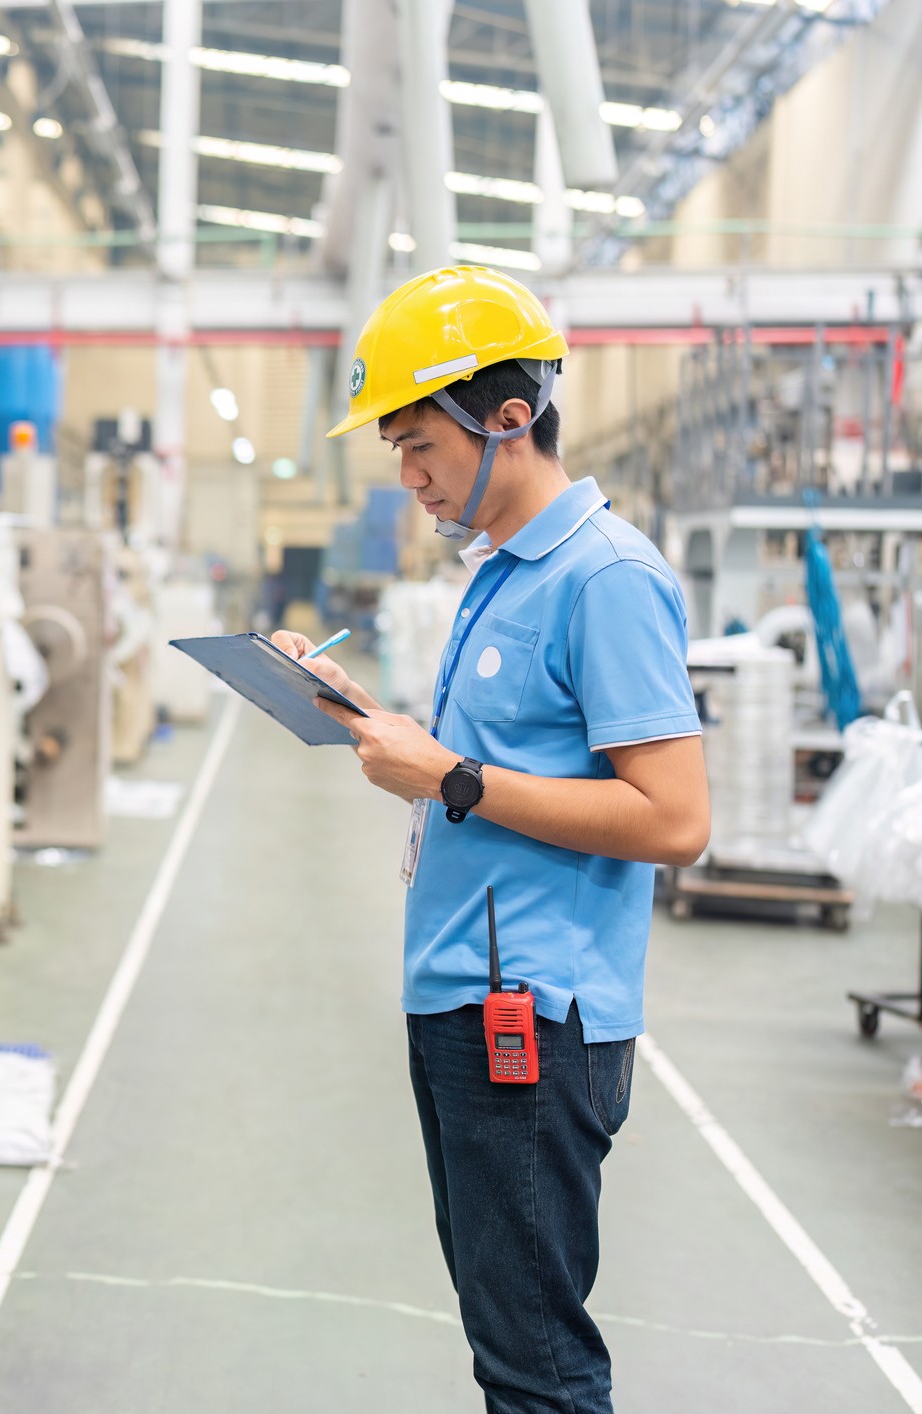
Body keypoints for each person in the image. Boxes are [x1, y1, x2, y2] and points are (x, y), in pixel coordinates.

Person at [275, 265, 710, 1413]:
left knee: (538, 1366)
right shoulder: (503, 575)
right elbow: (497, 776)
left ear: (508, 419)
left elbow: (676, 819)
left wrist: (454, 774)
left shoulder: (604, 579)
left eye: (422, 445)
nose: (408, 477)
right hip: (464, 996)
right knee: (504, 1338)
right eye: (398, 451)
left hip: (534, 1019)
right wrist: (374, 724)